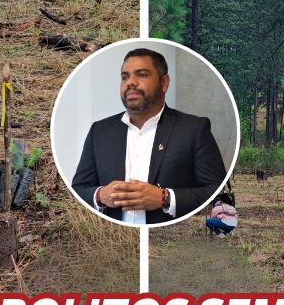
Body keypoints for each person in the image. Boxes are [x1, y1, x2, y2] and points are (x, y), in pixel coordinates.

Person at [72, 48, 226, 224]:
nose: (131, 82)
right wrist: (100, 195)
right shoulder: (99, 131)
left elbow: (215, 190)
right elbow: (80, 188)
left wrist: (166, 198)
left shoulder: (193, 129)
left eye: (142, 75)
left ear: (164, 83)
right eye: (125, 77)